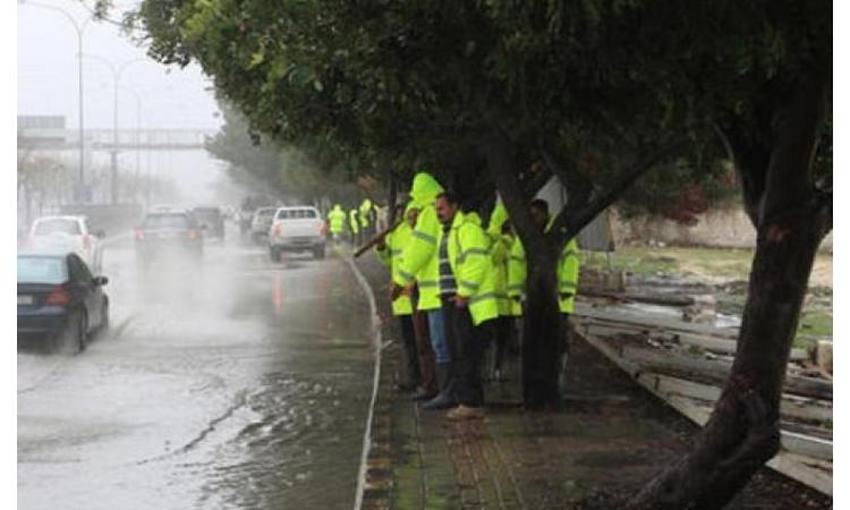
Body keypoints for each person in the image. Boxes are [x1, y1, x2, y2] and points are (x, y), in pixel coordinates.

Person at [426, 192, 499, 420]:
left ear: (455, 207)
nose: (439, 213)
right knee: (458, 351)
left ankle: (471, 403)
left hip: (467, 304)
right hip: (451, 299)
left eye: (442, 208)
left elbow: (475, 262)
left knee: (466, 352)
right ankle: (465, 399)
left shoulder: (468, 230)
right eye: (436, 209)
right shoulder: (447, 233)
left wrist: (464, 293)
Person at [507, 199, 581, 396]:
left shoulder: (560, 236)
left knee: (556, 343)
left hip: (557, 300)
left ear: (546, 214)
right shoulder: (526, 237)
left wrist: (565, 290)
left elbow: (571, 262)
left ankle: (553, 383)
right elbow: (516, 263)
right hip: (532, 300)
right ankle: (536, 388)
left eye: (537, 215)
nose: (534, 219)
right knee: (533, 345)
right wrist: (516, 293)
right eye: (531, 215)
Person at [390, 172, 450, 405]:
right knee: (435, 342)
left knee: (438, 344)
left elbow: (420, 250)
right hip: (431, 290)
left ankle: (442, 391)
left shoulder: (429, 215)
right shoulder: (434, 213)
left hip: (435, 290)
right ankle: (439, 389)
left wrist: (400, 280)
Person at [376, 204, 438, 398]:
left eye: (414, 214)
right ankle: (414, 378)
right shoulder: (398, 233)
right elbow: (389, 261)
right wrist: (381, 247)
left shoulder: (421, 234)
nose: (411, 217)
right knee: (409, 342)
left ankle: (426, 381)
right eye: (408, 215)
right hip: (400, 299)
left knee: (423, 342)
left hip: (417, 295)